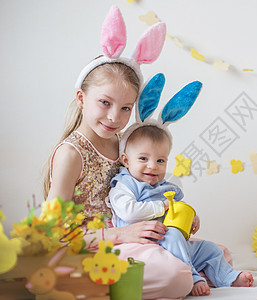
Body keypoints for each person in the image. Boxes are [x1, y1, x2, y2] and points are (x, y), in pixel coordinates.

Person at [43, 6, 196, 298]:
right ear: (81, 98)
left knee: (214, 254)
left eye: (126, 107)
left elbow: (149, 188)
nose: (115, 117)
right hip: (89, 248)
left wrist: (175, 215)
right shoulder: (71, 154)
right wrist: (119, 235)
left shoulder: (124, 144)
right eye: (104, 102)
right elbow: (52, 234)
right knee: (176, 274)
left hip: (127, 239)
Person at [107, 124, 254, 296]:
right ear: (126, 160)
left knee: (210, 249)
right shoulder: (124, 185)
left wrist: (192, 217)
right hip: (144, 246)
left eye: (160, 160)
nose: (153, 166)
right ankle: (192, 277)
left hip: (172, 244)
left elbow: (179, 209)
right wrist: (162, 206)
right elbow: (129, 212)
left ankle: (228, 278)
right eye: (143, 159)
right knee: (173, 235)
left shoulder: (165, 187)